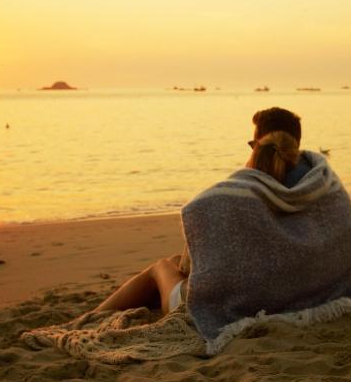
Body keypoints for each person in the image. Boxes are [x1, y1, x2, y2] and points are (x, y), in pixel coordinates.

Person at [95, 107, 310, 315]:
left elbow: (190, 264)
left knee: (161, 267)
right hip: (276, 297)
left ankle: (93, 316)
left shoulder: (236, 192)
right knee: (173, 262)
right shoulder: (310, 189)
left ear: (257, 145)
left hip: (212, 309)